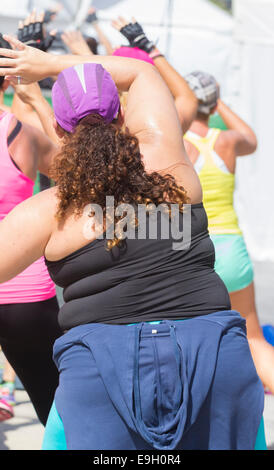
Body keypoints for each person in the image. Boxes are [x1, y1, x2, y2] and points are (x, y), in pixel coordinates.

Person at [0, 35, 264, 450]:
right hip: (212, 357)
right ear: (122, 113)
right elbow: (143, 72)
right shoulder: (172, 164)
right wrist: (49, 63)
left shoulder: (50, 211)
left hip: (101, 373)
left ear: (56, 126)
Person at [183, 71, 274, 396]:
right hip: (233, 247)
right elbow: (251, 138)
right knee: (253, 337)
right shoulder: (227, 141)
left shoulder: (178, 145)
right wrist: (218, 103)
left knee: (194, 341)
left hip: (195, 250)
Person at [0, 35, 62, 425]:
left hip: (23, 293)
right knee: (58, 409)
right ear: (7, 81)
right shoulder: (21, 135)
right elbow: (81, 175)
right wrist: (37, 97)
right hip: (23, 292)